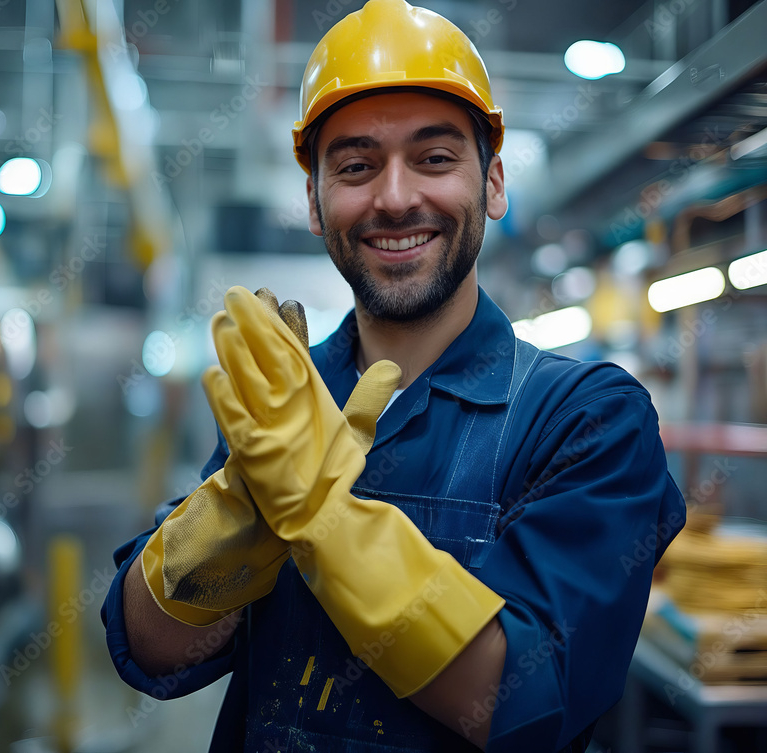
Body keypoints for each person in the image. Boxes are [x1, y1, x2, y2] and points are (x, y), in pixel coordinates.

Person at [102, 1, 686, 750]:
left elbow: (521, 703)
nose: (395, 196)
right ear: (314, 201)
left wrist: (326, 522)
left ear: (494, 183)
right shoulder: (284, 401)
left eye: (435, 158)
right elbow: (149, 648)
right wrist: (231, 516)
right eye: (354, 166)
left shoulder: (587, 419)